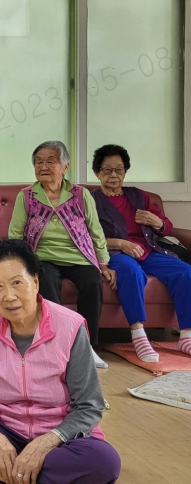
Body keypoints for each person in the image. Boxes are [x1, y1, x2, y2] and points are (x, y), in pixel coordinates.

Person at [0, 239, 121, 484]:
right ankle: (22, 473)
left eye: (17, 283)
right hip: (4, 430)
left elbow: (89, 405)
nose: (9, 296)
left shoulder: (70, 326)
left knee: (104, 461)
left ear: (35, 282)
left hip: (59, 437)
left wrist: (46, 443)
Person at [8, 140, 114, 368]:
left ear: (65, 167)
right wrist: (17, 264)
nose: (43, 166)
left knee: (93, 282)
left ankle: (87, 347)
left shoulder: (80, 194)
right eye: (38, 162)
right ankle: (56, 344)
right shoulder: (27, 196)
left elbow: (95, 229)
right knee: (45, 280)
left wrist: (103, 262)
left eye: (50, 161)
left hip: (78, 256)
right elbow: (15, 234)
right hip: (42, 256)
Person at [91, 144, 191, 360]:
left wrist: (157, 222)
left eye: (119, 169)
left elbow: (166, 226)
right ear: (98, 172)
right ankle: (138, 335)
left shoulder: (138, 196)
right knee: (131, 273)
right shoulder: (91, 200)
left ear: (125, 171)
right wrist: (120, 243)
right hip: (117, 253)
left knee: (185, 271)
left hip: (150, 250)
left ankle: (186, 336)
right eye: (107, 170)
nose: (114, 175)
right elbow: (85, 237)